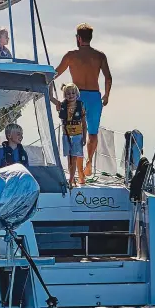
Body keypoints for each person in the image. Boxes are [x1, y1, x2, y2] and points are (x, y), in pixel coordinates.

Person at [53, 23, 112, 177]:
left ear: (78, 38)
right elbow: (108, 78)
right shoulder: (100, 56)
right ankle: (89, 162)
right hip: (94, 97)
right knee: (92, 133)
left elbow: (55, 73)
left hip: (77, 98)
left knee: (76, 134)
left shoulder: (71, 55)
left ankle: (79, 173)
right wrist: (106, 95)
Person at [53, 83, 87, 187]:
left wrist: (84, 137)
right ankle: (72, 179)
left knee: (74, 158)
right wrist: (49, 83)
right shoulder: (62, 105)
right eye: (68, 93)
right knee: (69, 159)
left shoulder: (80, 106)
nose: (70, 95)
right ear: (64, 95)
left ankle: (71, 180)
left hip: (77, 135)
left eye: (73, 93)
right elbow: (50, 97)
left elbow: (84, 124)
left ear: (77, 94)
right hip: (66, 135)